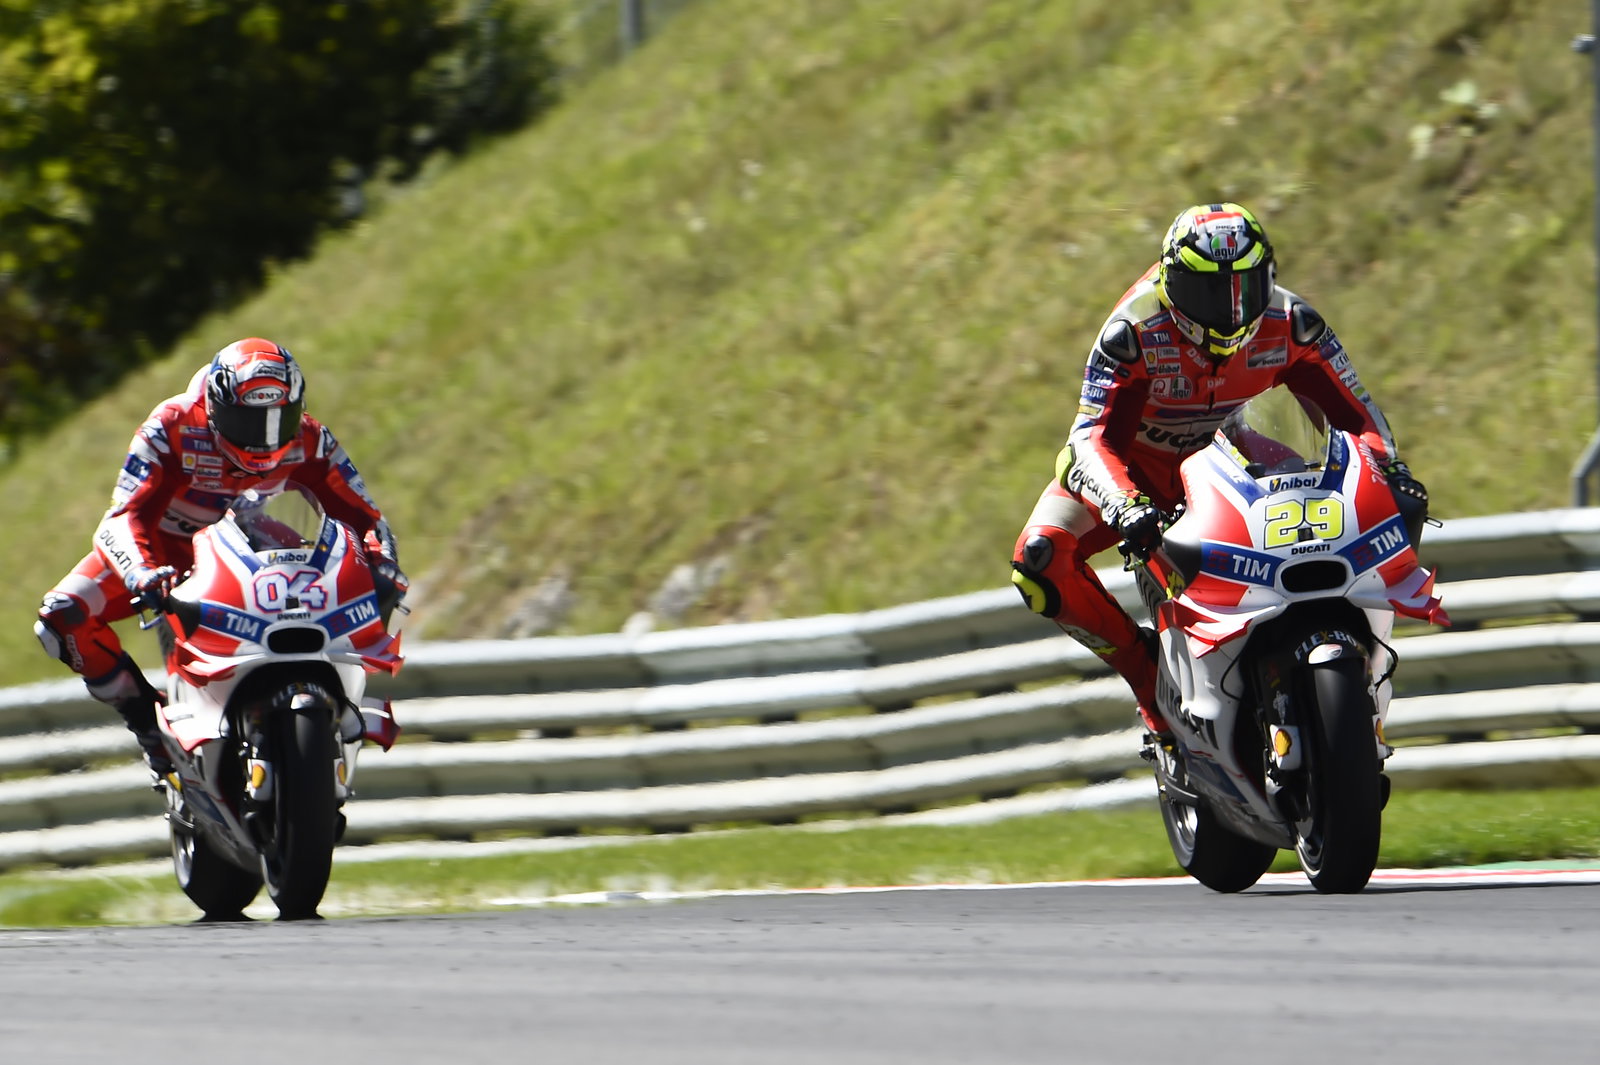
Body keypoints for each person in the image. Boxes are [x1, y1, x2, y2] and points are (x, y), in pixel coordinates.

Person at [1009, 202, 1428, 737]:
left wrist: (1389, 470)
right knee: (1039, 562)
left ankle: (1345, 667)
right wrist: (1122, 502)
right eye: (1210, 292)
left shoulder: (1293, 323)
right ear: (1170, 281)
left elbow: (1359, 416)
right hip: (1136, 471)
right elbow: (1090, 437)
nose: (1231, 310)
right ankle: (1148, 677)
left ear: (1269, 275)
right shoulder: (1133, 331)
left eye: (1245, 287)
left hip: (1238, 459)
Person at [33, 338, 408, 774]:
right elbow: (122, 516)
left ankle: (327, 706)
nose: (266, 439)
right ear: (214, 406)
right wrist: (141, 572)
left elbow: (366, 517)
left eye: (278, 419)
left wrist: (384, 564)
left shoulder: (311, 437)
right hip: (164, 553)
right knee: (62, 617)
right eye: (248, 422)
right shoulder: (170, 424)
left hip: (257, 546)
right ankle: (147, 724)